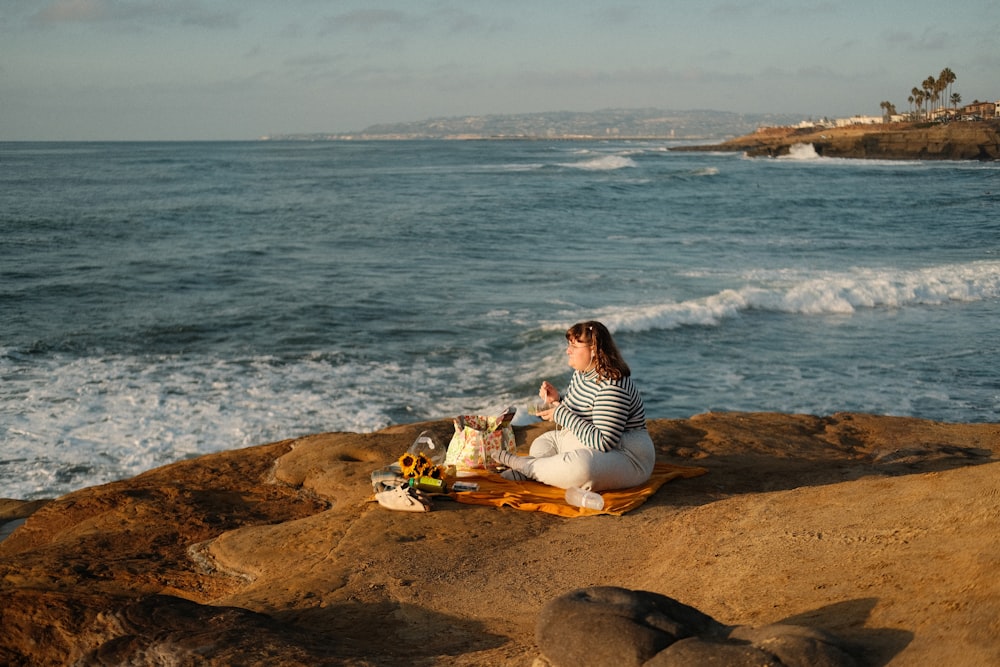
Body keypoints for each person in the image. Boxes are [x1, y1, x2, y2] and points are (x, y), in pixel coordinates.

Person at [492, 320, 655, 491]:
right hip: (588, 444)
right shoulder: (582, 374)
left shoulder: (612, 386)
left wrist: (560, 413)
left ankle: (527, 468)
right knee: (545, 442)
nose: (567, 350)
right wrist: (558, 401)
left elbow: (604, 442)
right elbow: (583, 414)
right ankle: (537, 469)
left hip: (626, 456)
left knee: (583, 468)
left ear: (594, 350)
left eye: (574, 347)